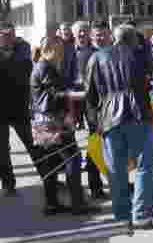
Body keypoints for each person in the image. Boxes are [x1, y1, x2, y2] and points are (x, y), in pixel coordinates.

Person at [84, 24, 153, 226]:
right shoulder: (138, 55)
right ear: (133, 39)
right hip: (138, 115)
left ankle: (121, 216)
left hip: (109, 118)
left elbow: (90, 95)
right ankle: (142, 214)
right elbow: (149, 79)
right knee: (144, 165)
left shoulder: (97, 57)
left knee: (115, 168)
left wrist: (94, 124)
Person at [30, 36, 92, 215]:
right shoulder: (46, 67)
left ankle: (51, 204)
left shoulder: (39, 66)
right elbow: (55, 95)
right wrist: (76, 95)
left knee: (50, 163)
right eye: (60, 50)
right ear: (50, 49)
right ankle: (77, 204)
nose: (63, 54)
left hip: (42, 121)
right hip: (55, 121)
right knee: (72, 158)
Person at [66, 20, 105, 196]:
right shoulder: (66, 52)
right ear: (73, 34)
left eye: (84, 31)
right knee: (67, 144)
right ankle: (73, 188)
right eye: (79, 32)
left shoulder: (96, 52)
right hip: (70, 102)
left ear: (89, 33)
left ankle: (95, 186)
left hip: (91, 102)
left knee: (95, 141)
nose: (82, 34)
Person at [0, 20, 35, 196]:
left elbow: (23, 69)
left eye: (10, 35)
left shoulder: (23, 47)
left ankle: (49, 177)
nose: (8, 38)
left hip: (19, 107)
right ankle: (8, 184)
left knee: (33, 144)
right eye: (4, 35)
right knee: (2, 150)